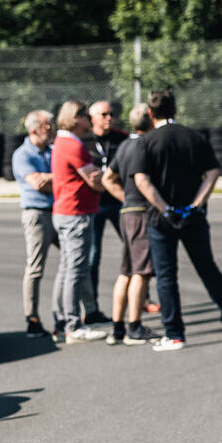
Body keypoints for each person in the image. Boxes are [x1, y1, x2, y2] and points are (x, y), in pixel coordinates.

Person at [132, 89, 222, 351]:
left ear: (150, 114)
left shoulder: (147, 142)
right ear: (175, 110)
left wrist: (165, 208)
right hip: (193, 217)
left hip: (161, 220)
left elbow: (142, 180)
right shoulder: (194, 137)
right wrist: (196, 204)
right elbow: (212, 172)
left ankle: (174, 334)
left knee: (166, 276)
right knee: (208, 269)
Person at [50, 100, 108, 342]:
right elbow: (94, 181)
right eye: (86, 115)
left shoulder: (62, 142)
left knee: (68, 268)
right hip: (75, 214)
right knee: (74, 269)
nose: (90, 119)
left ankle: (63, 319)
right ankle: (72, 325)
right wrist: (106, 177)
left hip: (67, 212)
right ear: (76, 118)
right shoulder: (73, 145)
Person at [101, 103, 157, 345]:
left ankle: (117, 328)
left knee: (126, 270)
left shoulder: (124, 145)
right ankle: (134, 326)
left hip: (126, 212)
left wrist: (125, 197)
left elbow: (107, 178)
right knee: (141, 272)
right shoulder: (146, 145)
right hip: (141, 213)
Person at [12, 110, 56, 336]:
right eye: (47, 126)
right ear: (34, 130)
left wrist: (52, 180)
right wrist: (61, 179)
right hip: (37, 214)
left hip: (59, 211)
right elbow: (38, 183)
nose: (51, 129)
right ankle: (32, 317)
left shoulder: (52, 150)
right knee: (35, 267)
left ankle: (83, 311)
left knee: (77, 261)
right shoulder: (22, 155)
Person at [84, 100, 126, 299]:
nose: (109, 118)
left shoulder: (122, 139)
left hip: (119, 201)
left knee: (135, 248)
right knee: (92, 256)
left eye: (111, 114)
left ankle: (142, 297)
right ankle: (92, 305)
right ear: (92, 119)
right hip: (95, 205)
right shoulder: (83, 141)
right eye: (104, 115)